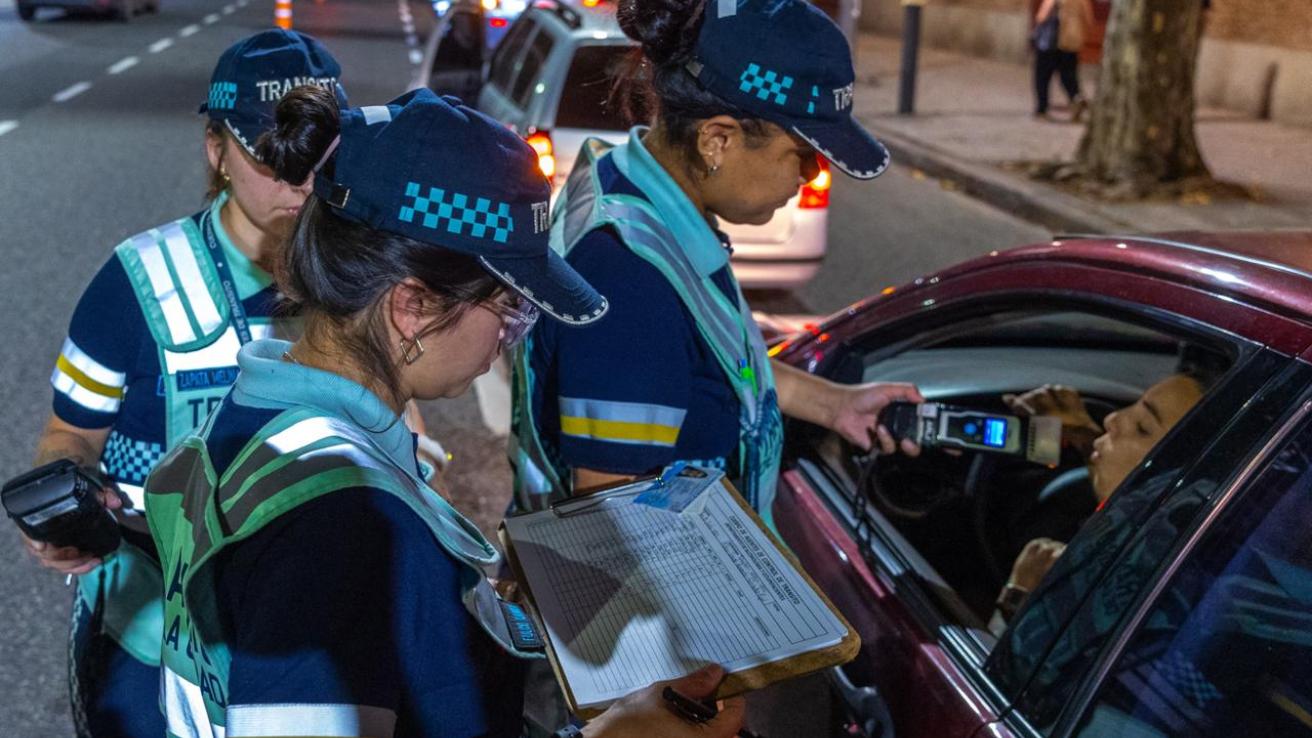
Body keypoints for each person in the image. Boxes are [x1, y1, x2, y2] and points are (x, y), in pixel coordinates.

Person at [144, 86, 745, 738]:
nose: (505, 340)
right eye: (507, 308)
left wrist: (474, 610)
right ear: (414, 308)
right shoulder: (340, 521)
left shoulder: (263, 409)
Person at [19, 30, 351, 738]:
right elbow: (69, 433)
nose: (297, 180)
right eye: (270, 153)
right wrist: (69, 497)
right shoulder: (138, 281)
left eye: (317, 155)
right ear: (217, 151)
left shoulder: (359, 280)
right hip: (150, 645)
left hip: (306, 632)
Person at [510, 0, 922, 526]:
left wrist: (834, 405)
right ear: (717, 140)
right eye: (803, 152)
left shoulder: (628, 183)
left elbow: (699, 364)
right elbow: (614, 534)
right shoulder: (630, 277)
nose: (812, 175)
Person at [991, 355, 1225, 629]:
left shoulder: (1109, 591)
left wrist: (1020, 597)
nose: (1112, 419)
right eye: (1135, 405)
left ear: (1182, 480)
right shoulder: (1167, 549)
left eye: (1142, 428)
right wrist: (1084, 435)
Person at [1032, 0, 1095, 120]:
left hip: (1052, 42)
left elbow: (1042, 16)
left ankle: (1042, 108)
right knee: (1069, 75)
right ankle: (1076, 98)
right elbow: (1089, 19)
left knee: (1042, 76)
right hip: (1072, 41)